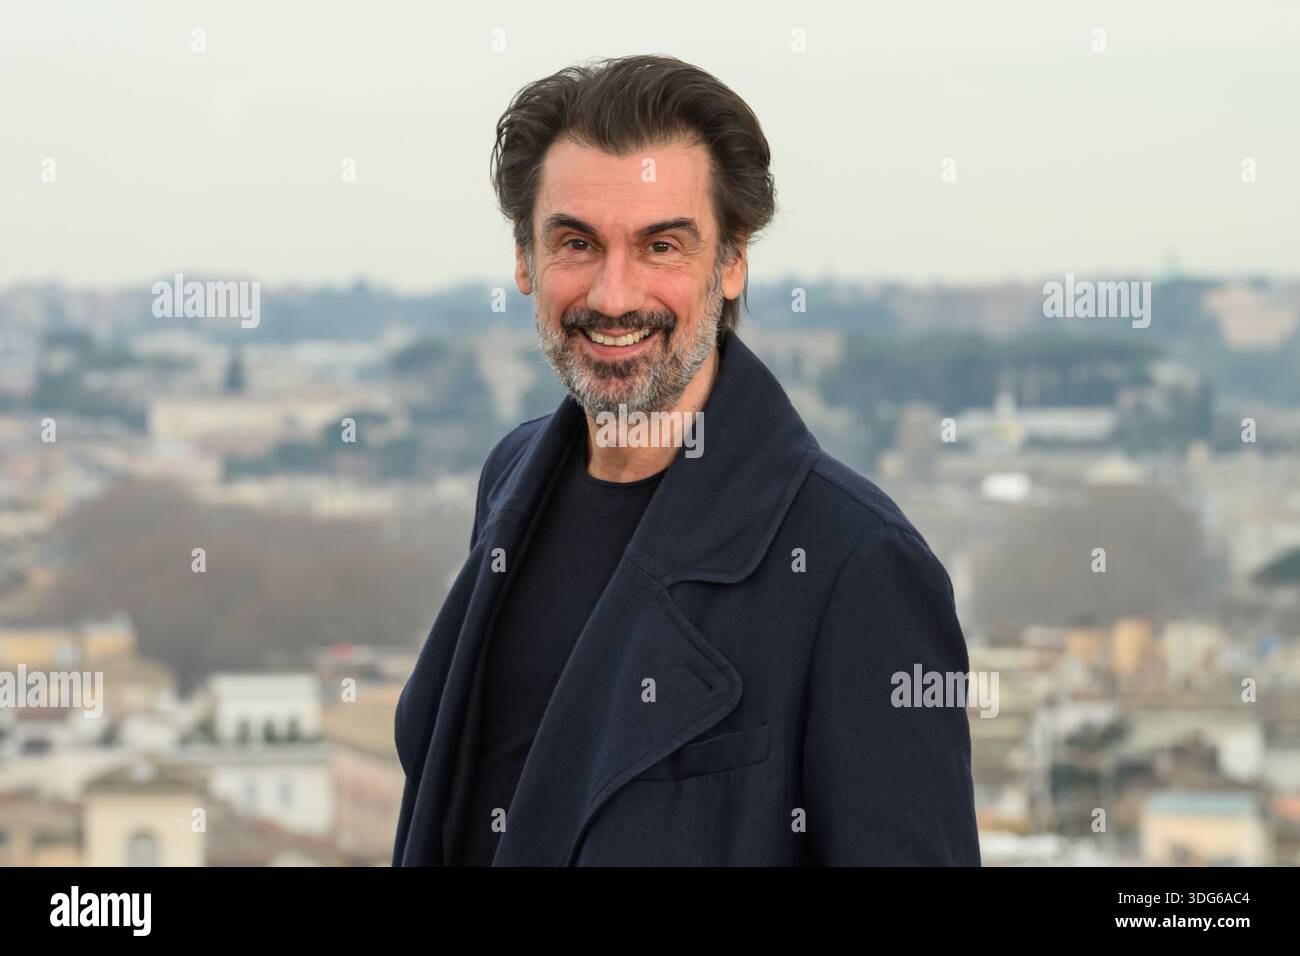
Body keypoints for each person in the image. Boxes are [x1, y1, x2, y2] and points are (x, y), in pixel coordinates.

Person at [392, 54, 980, 866]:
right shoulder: (512, 478)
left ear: (732, 262)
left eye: (661, 245)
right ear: (525, 260)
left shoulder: (857, 564)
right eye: (576, 243)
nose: (613, 295)